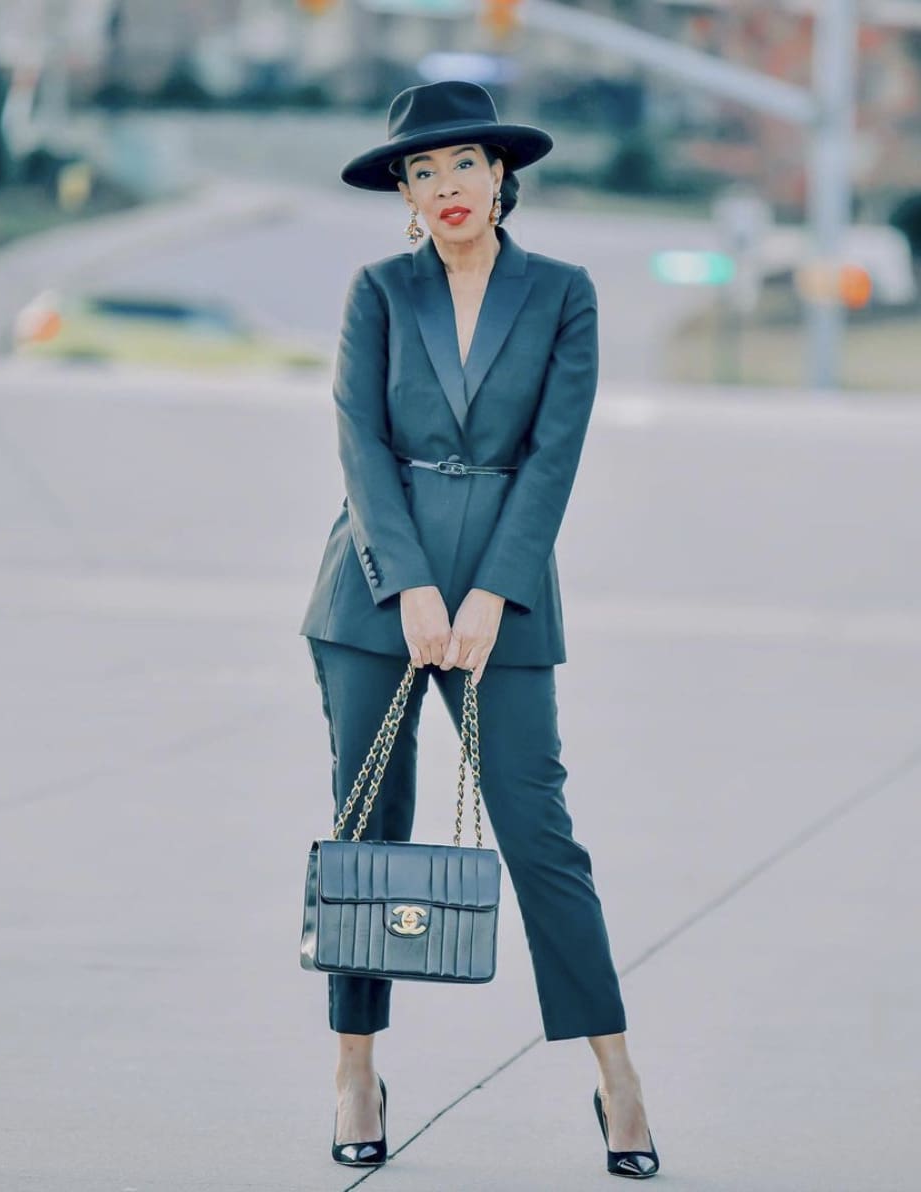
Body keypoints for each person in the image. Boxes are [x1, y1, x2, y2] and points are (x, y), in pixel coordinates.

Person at [299, 80, 660, 1180]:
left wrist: (491, 596)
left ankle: (618, 1075)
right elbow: (360, 443)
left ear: (503, 175)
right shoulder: (380, 290)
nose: (446, 187)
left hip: (506, 599)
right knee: (368, 828)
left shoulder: (564, 294)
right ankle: (356, 1066)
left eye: (464, 165)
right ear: (404, 195)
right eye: (423, 171)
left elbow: (554, 458)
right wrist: (406, 584)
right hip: (371, 594)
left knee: (540, 834)